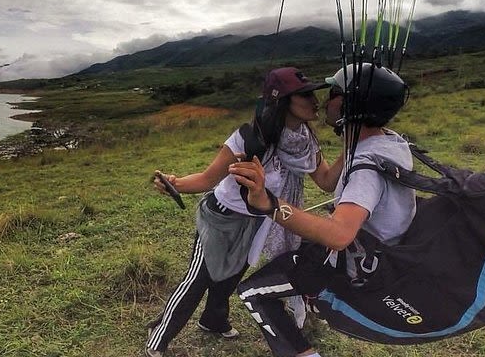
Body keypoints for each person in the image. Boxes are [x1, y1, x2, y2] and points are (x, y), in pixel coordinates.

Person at [145, 67, 344, 357]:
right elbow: (206, 179)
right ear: (282, 101)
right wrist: (175, 183)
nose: (315, 100)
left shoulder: (305, 142)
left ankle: (212, 320)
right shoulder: (248, 138)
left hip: (257, 220)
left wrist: (354, 144)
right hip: (222, 217)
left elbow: (326, 181)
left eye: (313, 93)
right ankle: (158, 337)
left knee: (230, 277)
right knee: (198, 280)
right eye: (304, 95)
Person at [232, 63, 413, 357]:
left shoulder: (366, 167)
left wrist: (270, 204)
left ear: (348, 104)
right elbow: (332, 185)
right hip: (378, 253)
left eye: (333, 94)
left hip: (359, 267)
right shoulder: (389, 141)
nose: (325, 102)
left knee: (253, 293)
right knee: (298, 251)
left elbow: (340, 234)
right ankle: (311, 300)